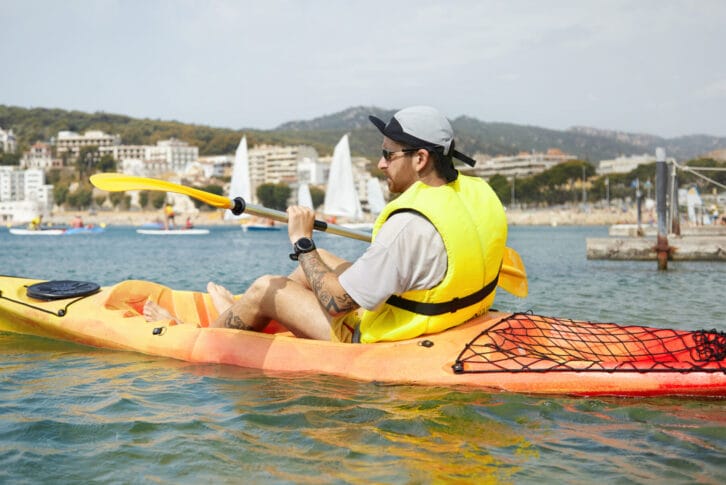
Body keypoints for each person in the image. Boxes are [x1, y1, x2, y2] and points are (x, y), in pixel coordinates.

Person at [144, 106, 508, 343]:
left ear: (421, 159)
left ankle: (202, 333)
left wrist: (303, 242)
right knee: (310, 272)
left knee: (265, 286)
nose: (381, 165)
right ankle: (242, 314)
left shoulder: (408, 224)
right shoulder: (479, 195)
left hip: (387, 335)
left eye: (388, 155)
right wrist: (312, 260)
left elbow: (336, 304)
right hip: (449, 310)